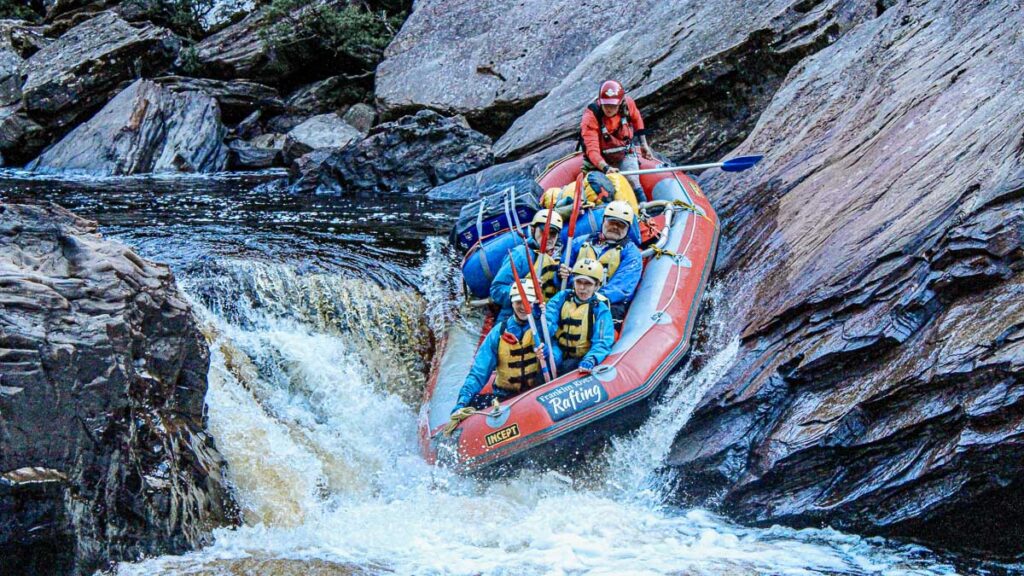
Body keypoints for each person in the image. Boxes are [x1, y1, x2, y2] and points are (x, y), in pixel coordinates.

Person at [452, 283, 558, 413]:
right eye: (518, 301)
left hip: (535, 391)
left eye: (528, 302)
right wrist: (462, 402)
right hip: (504, 396)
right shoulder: (498, 333)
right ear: (512, 303)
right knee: (473, 404)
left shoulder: (543, 327)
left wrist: (547, 353)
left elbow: (557, 356)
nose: (523, 306)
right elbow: (479, 372)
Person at [559, 201, 642, 321]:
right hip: (574, 295)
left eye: (621, 225)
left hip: (604, 305)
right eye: (612, 222)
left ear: (628, 229)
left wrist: (588, 299)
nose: (615, 227)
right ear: (603, 221)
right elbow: (562, 271)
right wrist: (561, 274)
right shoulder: (579, 242)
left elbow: (621, 289)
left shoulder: (631, 254)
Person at [579, 79, 655, 193]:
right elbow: (592, 149)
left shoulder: (628, 105)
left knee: (633, 182)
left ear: (620, 103)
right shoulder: (591, 116)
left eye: (613, 105)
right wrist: (606, 168)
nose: (609, 108)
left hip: (624, 152)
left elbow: (637, 119)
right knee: (597, 189)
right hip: (599, 159)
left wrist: (644, 144)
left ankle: (641, 201)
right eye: (606, 105)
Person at [489, 209, 563, 322]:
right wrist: (524, 290)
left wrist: (563, 278)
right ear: (533, 230)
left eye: (553, 234)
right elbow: (496, 291)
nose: (548, 237)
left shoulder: (558, 259)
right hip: (514, 319)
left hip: (543, 320)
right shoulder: (520, 255)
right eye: (544, 232)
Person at [545, 258, 614, 374]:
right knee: (551, 358)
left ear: (597, 286)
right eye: (579, 282)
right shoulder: (562, 297)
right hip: (558, 349)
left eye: (588, 283)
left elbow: (602, 341)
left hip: (581, 356)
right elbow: (548, 319)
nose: (582, 288)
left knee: (568, 367)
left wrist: (591, 359)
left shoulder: (600, 309)